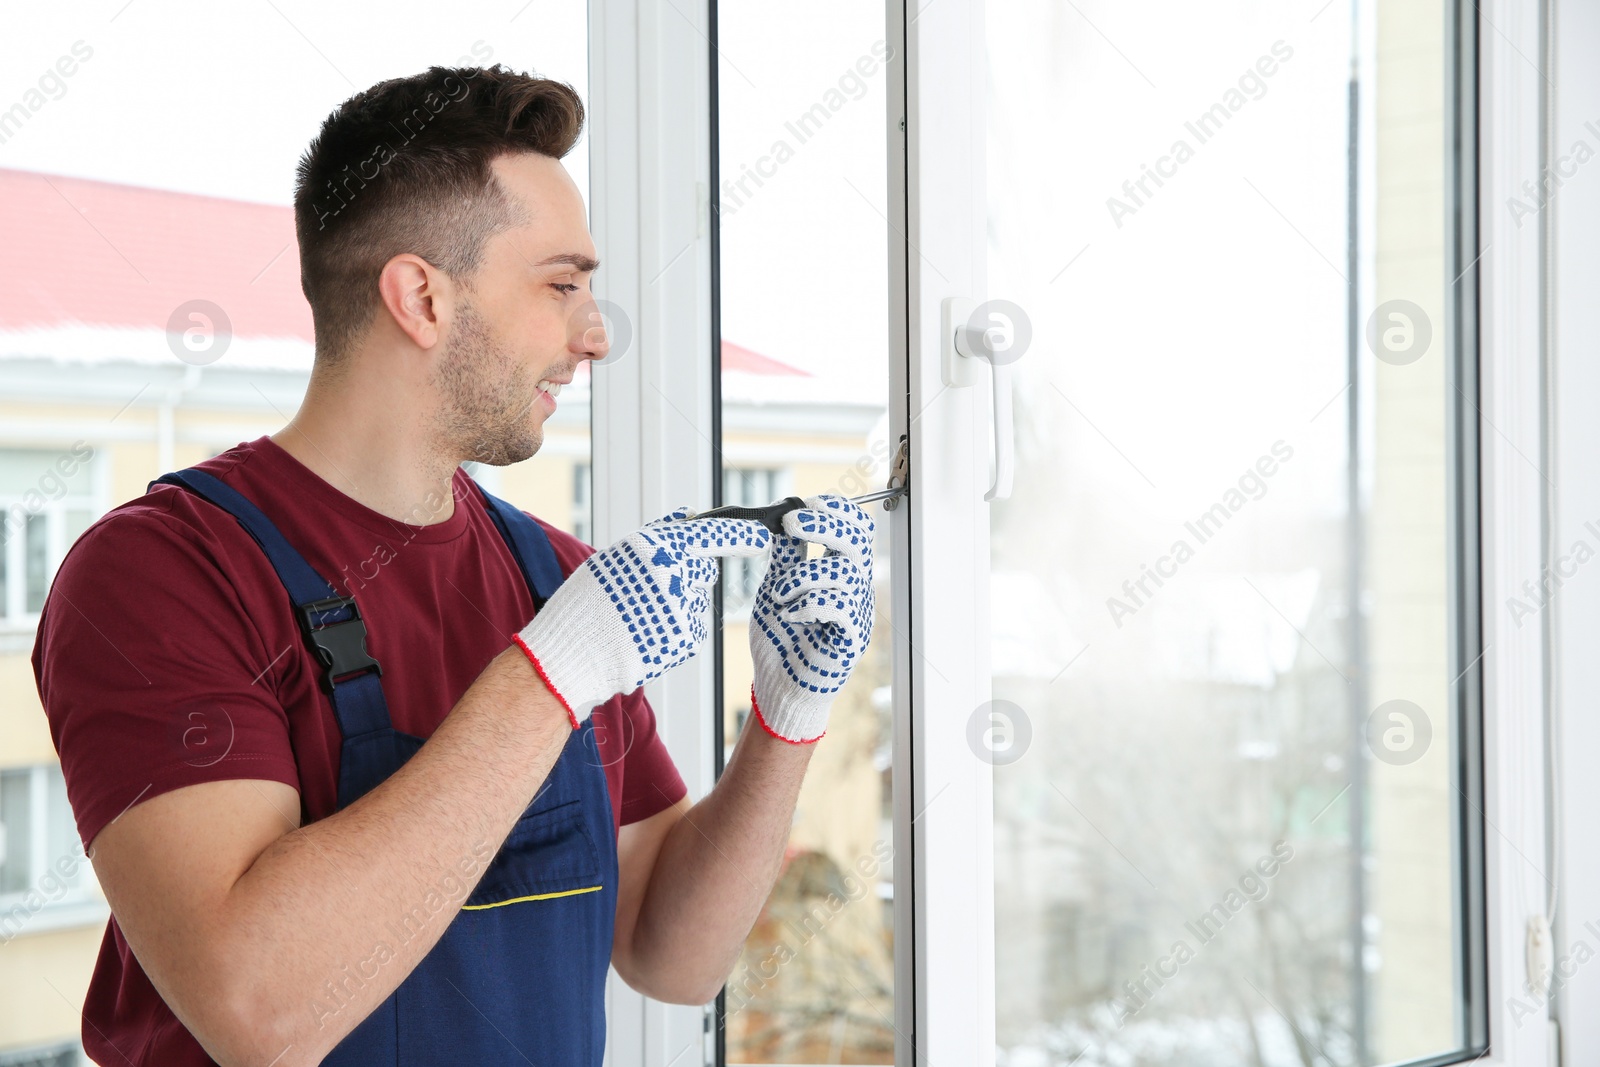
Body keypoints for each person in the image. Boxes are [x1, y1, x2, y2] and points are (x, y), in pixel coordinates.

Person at [30, 64, 876, 1067]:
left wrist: (785, 721)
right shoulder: (162, 573)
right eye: (561, 284)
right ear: (421, 297)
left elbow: (670, 953)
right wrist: (550, 675)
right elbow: (258, 1009)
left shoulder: (551, 577)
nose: (594, 333)